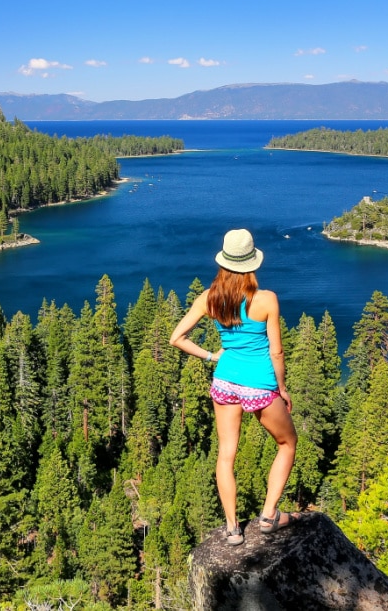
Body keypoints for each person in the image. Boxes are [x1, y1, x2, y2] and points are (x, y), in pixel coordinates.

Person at [169, 228, 300, 546]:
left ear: (224, 262)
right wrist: (282, 389)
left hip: (225, 381)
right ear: (251, 264)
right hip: (260, 384)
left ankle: (232, 529)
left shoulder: (210, 298)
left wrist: (213, 355)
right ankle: (269, 517)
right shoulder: (266, 299)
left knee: (226, 455)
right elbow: (276, 352)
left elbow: (176, 339)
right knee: (287, 444)